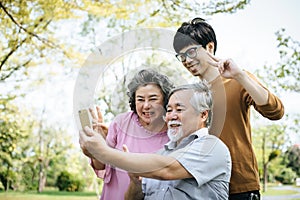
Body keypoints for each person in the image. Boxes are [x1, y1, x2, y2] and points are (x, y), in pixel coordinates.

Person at [172, 17, 285, 199]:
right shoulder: (190, 95)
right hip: (203, 188)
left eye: (191, 52)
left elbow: (276, 111)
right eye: (182, 56)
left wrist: (240, 76)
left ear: (209, 47)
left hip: (239, 186)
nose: (187, 60)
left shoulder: (236, 80)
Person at [80, 81, 232, 199]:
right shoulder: (161, 154)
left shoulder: (212, 147)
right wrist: (135, 182)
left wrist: (103, 152)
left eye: (179, 109)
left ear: (203, 114)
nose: (171, 116)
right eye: (169, 110)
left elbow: (168, 170)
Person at [80, 68, 174, 200]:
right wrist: (96, 149)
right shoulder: (121, 123)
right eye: (140, 99)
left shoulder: (174, 132)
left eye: (153, 99)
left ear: (165, 100)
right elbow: (101, 166)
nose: (146, 105)